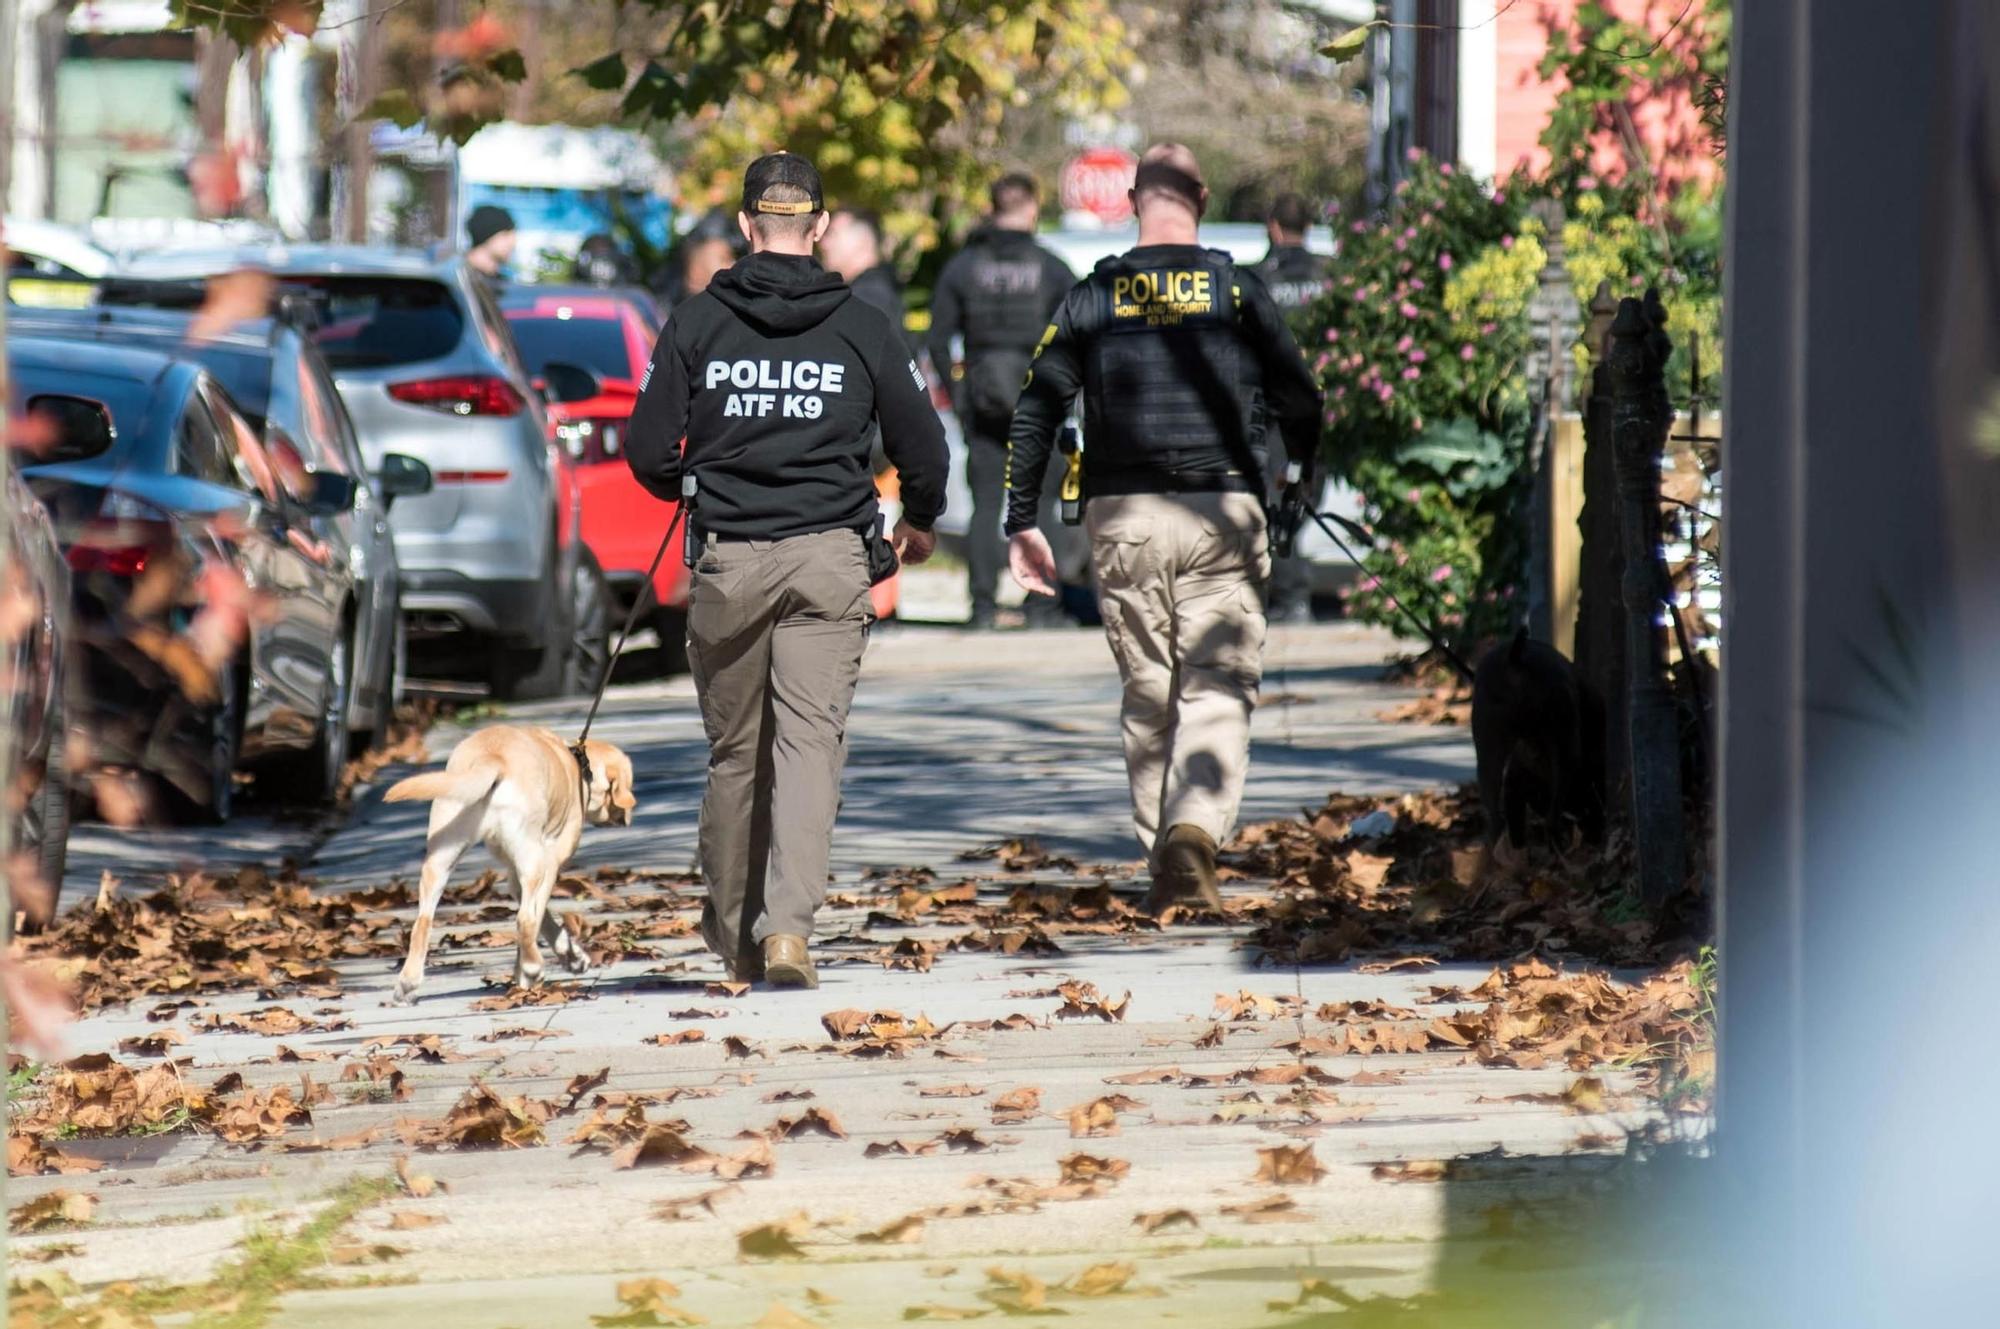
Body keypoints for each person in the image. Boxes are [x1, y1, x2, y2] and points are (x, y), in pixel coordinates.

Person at [624, 152, 948, 989]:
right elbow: (923, 441)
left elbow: (647, 450)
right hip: (831, 558)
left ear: (743, 228)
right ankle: (789, 933)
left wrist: (693, 486)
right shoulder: (864, 325)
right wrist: (918, 518)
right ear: (822, 227)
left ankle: (734, 934)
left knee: (737, 754)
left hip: (731, 557)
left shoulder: (697, 322)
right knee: (809, 748)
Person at [1004, 143, 1324, 914]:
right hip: (1224, 509)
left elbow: (1038, 403)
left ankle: (1167, 861)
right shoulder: (1238, 293)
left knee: (1149, 691)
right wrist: (1297, 482)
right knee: (1217, 687)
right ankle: (1193, 833)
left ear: (1131, 199)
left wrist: (1021, 518)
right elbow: (1302, 399)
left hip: (1126, 516)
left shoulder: (1093, 294)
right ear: (1203, 198)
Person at [927, 172, 1078, 630]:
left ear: (993, 209)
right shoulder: (1051, 267)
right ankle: (1042, 607)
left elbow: (936, 341)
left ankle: (983, 608)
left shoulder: (963, 267)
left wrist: (959, 399)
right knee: (1040, 506)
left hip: (984, 402)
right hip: (1040, 403)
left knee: (987, 506)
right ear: (1031, 208)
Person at [1254, 193, 1335, 624]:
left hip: (1277, 410)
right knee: (1306, 494)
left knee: (1278, 497)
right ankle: (1291, 587)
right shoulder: (1331, 275)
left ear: (1273, 226)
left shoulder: (1258, 278)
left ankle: (1290, 590)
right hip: (1326, 402)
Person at [820, 207, 908, 342]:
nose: (823, 244)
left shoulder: (868, 298)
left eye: (832, 234)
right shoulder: (873, 291)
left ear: (862, 243)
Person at [464, 205, 517, 283]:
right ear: (487, 236)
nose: (513, 242)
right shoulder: (457, 279)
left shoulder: (499, 283)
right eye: (506, 235)